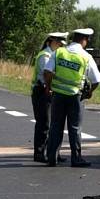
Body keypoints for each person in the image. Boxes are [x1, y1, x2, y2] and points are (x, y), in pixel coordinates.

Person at [44, 28, 100, 167]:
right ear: (84, 39)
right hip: (76, 97)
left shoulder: (59, 52)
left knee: (56, 126)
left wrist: (48, 87)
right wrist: (89, 92)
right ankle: (76, 158)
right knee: (75, 128)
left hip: (58, 95)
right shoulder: (85, 57)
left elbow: (47, 71)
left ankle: (52, 157)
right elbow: (96, 80)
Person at [30, 31, 67, 163]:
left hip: (52, 91)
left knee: (54, 124)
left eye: (61, 43)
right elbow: (47, 74)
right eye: (58, 43)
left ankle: (53, 152)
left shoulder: (55, 55)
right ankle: (39, 153)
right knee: (44, 124)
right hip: (42, 91)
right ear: (50, 41)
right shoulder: (45, 55)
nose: (60, 45)